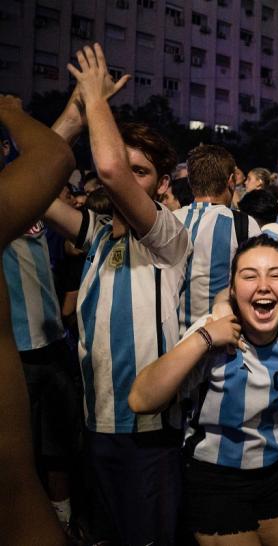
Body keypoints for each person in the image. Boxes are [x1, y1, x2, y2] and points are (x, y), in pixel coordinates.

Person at [46, 44, 190, 544]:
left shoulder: (169, 236)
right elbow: (29, 185)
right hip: (97, 426)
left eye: (141, 173)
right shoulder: (99, 232)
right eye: (127, 168)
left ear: (163, 184)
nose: (126, 179)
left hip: (147, 435)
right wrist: (73, 117)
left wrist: (95, 98)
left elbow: (108, 169)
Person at [129, 236, 278, 545]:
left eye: (276, 274)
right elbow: (140, 399)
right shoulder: (212, 330)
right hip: (216, 480)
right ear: (232, 287)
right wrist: (205, 337)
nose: (264, 285)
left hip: (277, 473)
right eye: (250, 275)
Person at [0, 94, 75, 545]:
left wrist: (73, 115)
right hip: (21, 356)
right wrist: (10, 111)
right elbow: (51, 156)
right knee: (23, 469)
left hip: (50, 343)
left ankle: (65, 516)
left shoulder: (14, 197)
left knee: (59, 447)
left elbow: (48, 158)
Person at [175, 144, 261, 337]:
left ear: (191, 181)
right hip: (223, 341)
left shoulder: (170, 221)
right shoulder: (243, 224)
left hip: (173, 343)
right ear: (231, 181)